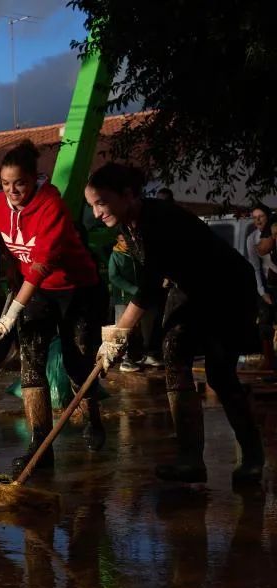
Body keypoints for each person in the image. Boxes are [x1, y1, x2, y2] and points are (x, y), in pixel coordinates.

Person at [87, 163, 265, 485]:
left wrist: (118, 335)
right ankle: (190, 459)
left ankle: (253, 457)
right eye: (92, 206)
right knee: (174, 356)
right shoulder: (129, 225)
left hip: (227, 288)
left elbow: (150, 287)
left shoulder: (159, 219)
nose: (97, 212)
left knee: (220, 374)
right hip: (189, 288)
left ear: (127, 194)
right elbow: (152, 281)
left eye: (101, 202)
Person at [0, 139, 106, 475]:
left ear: (35, 179)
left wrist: (10, 315)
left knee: (76, 361)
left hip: (76, 289)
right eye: (6, 184)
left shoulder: (51, 205)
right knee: (31, 362)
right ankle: (40, 445)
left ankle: (92, 418)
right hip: (33, 291)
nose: (12, 191)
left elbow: (41, 265)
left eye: (20, 183)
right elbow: (2, 238)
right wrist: (9, 267)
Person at [108, 233, 163, 372]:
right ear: (117, 241)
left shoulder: (137, 254)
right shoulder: (116, 256)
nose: (125, 243)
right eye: (122, 240)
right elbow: (114, 277)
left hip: (142, 297)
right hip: (124, 298)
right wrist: (133, 289)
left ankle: (146, 354)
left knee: (147, 326)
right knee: (124, 330)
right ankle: (125, 359)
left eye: (127, 240)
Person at [245, 203, 277, 371]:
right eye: (255, 217)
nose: (257, 220)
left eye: (261, 216)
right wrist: (262, 291)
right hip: (266, 284)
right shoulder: (252, 239)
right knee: (264, 322)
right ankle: (269, 360)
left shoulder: (275, 232)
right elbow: (255, 267)